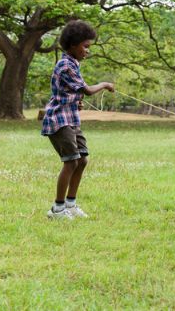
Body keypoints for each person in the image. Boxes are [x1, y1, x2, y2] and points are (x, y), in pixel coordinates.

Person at [42, 20, 115, 219]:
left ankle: (70, 204)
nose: (87, 51)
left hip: (71, 118)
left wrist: (76, 102)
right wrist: (105, 84)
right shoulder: (66, 65)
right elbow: (88, 90)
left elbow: (71, 92)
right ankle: (57, 209)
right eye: (85, 46)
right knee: (71, 162)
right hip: (59, 120)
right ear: (73, 45)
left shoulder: (73, 63)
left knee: (82, 160)